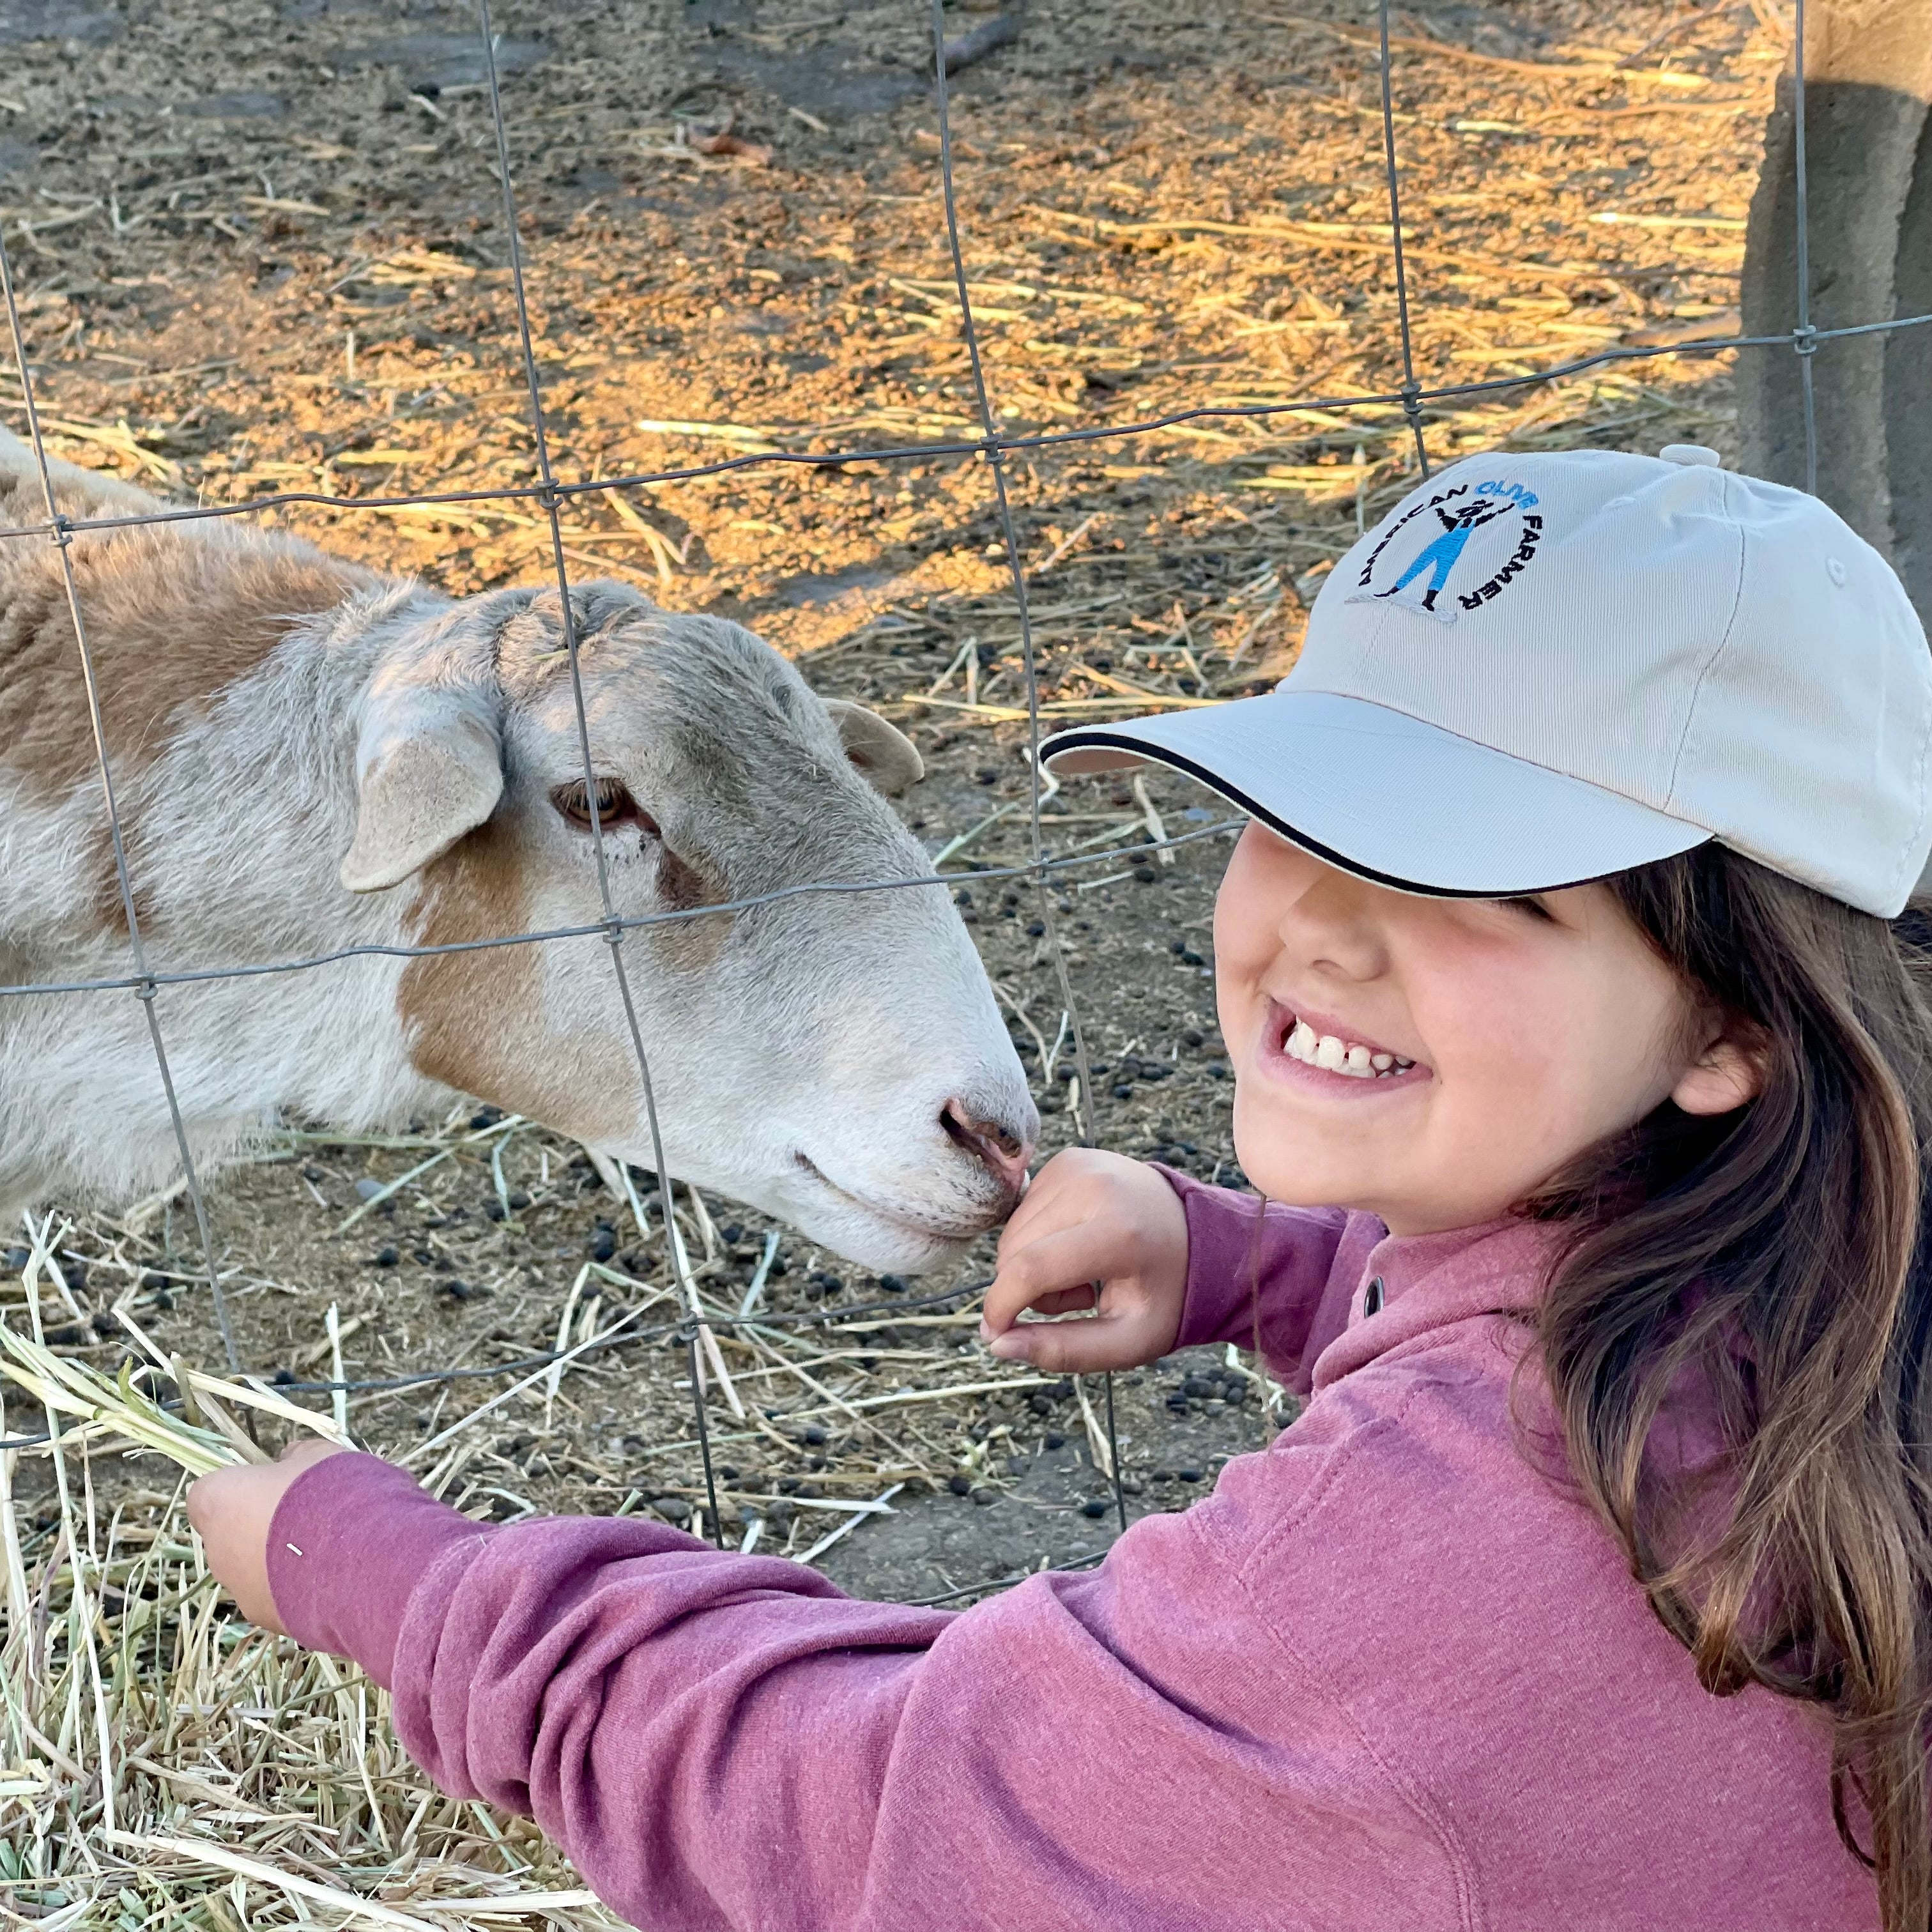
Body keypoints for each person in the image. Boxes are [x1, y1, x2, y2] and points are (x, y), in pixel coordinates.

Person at [190, 444, 1932, 1932]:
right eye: (1298, 818)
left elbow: (873, 1822)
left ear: (1734, 1022)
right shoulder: (1844, 1271)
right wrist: (1254, 1266)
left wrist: (405, 1587)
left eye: (1473, 884)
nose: (1319, 927)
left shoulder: (1387, 1591)